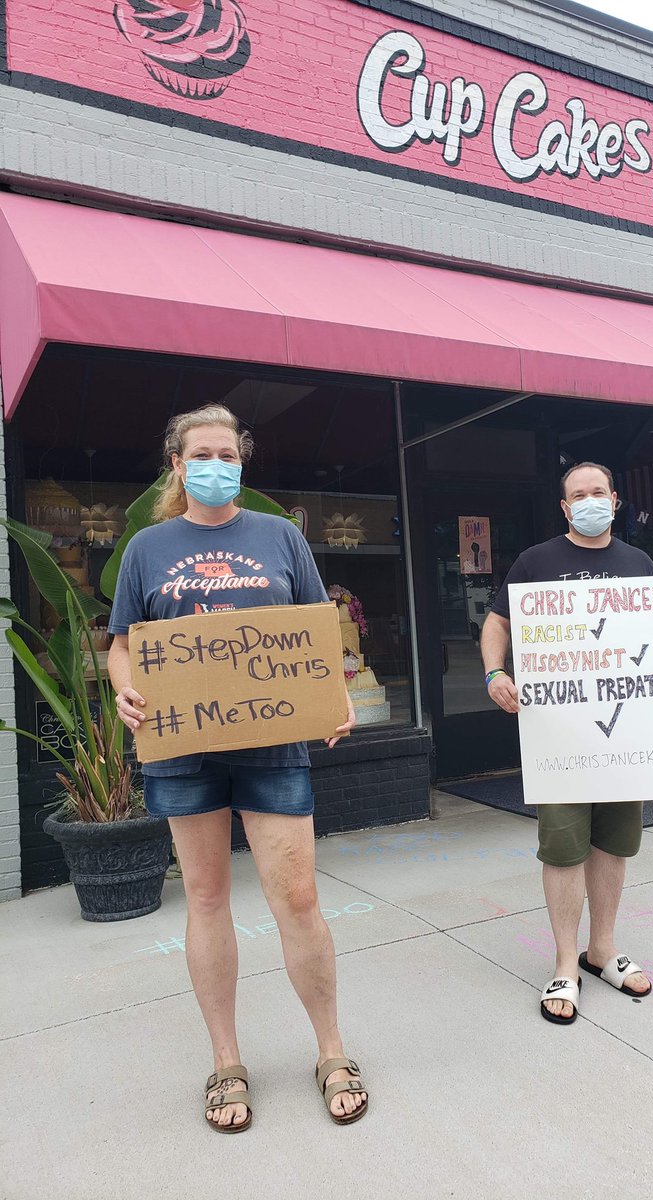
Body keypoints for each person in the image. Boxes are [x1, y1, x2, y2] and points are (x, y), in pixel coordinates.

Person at [108, 404, 368, 1131]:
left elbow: (316, 630)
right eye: (202, 454)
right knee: (206, 898)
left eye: (229, 454)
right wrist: (125, 687)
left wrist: (337, 694)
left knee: (299, 900)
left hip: (273, 743)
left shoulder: (280, 536)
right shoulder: (147, 548)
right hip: (183, 749)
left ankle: (332, 1050)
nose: (217, 466)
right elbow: (122, 644)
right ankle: (226, 1062)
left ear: (242, 462)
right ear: (177, 465)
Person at [481, 462, 653, 1024]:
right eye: (578, 495)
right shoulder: (536, 562)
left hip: (624, 736)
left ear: (615, 499)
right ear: (564, 507)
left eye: (597, 492)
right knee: (562, 849)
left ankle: (601, 949)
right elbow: (498, 622)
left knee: (613, 846)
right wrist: (495, 672)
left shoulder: (639, 563)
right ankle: (564, 964)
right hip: (559, 739)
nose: (588, 501)